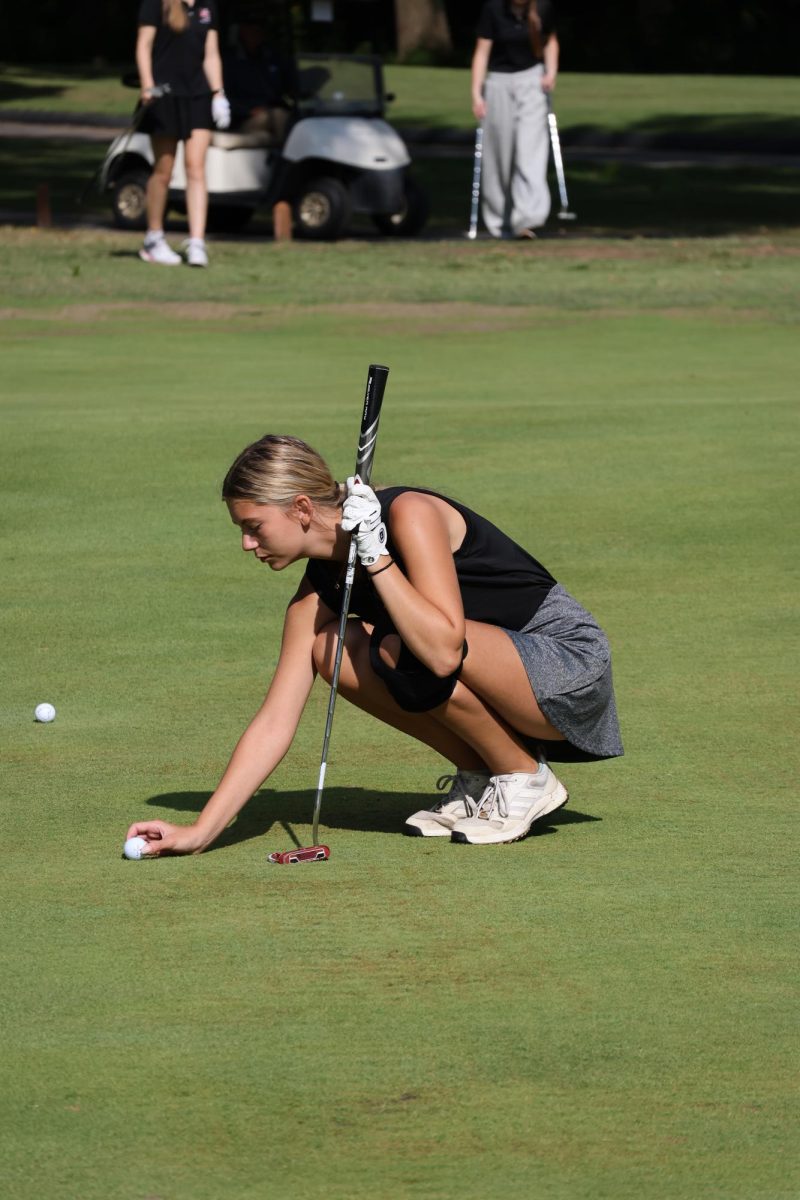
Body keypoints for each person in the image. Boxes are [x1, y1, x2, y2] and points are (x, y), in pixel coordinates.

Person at [125, 435, 623, 856]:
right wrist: (201, 831)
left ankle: (523, 776)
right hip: (494, 677)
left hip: (566, 670)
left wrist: (377, 556)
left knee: (400, 644)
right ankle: (481, 774)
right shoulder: (312, 596)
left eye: (253, 527)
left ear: (300, 508)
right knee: (330, 647)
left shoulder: (409, 514)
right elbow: (276, 719)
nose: (247, 545)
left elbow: (444, 650)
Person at [135, 0, 231, 268]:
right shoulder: (156, 4)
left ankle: (197, 241)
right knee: (163, 171)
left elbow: (211, 53)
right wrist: (147, 84)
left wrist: (218, 94)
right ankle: (154, 238)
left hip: (198, 95)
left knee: (196, 167)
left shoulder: (207, 5)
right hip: (164, 94)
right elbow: (144, 45)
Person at [471, 0, 559, 239]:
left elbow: (550, 41)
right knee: (501, 154)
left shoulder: (542, 8)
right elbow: (482, 51)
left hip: (532, 82)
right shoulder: (493, 9)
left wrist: (551, 72)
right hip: (499, 82)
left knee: (529, 150)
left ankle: (528, 218)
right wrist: (477, 94)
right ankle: (501, 220)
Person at [222, 18, 293, 142]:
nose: (256, 35)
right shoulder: (230, 62)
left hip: (273, 109)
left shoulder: (271, 58)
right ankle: (289, 159)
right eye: (252, 31)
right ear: (243, 32)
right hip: (244, 119)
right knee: (278, 115)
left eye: (259, 31)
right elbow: (224, 97)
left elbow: (287, 85)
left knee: (289, 116)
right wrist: (248, 110)